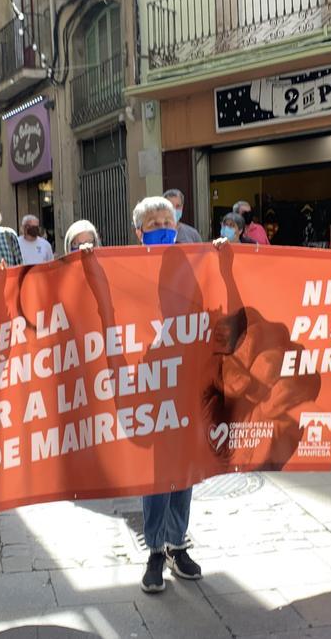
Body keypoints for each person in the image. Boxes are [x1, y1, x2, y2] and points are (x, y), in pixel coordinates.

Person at [130, 196, 203, 593]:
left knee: (185, 466)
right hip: (149, 379)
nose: (161, 224)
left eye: (167, 219)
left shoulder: (191, 262)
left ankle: (178, 544)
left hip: (186, 376)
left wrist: (225, 261)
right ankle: (155, 549)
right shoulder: (124, 267)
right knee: (157, 471)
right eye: (153, 221)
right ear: (139, 232)